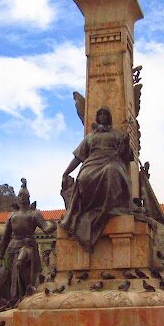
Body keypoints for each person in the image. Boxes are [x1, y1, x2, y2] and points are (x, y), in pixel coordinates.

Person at [60, 106, 135, 252]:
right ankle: (88, 209)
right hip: (92, 162)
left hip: (113, 161)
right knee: (82, 178)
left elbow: (127, 157)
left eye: (104, 114)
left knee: (111, 172)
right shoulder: (90, 137)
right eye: (99, 114)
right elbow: (78, 157)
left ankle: (111, 207)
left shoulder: (118, 135)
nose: (102, 116)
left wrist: (126, 145)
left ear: (109, 117)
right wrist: (66, 172)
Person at [0, 179, 57, 309]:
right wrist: (0, 257)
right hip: (13, 248)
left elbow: (45, 229)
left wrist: (54, 226)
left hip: (29, 248)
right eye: (20, 196)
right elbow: (5, 237)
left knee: (27, 275)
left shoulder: (34, 213)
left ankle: (26, 298)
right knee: (12, 278)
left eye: (24, 196)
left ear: (29, 198)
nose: (22, 198)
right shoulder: (12, 216)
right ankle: (14, 300)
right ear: (17, 198)